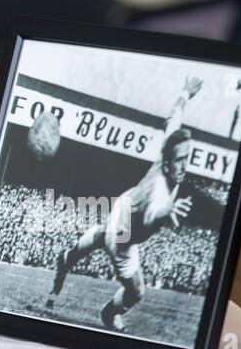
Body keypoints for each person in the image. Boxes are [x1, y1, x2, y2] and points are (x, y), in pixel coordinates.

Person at [47, 77, 202, 331]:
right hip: (122, 238)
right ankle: (109, 313)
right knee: (138, 291)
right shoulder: (161, 195)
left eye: (188, 158)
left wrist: (185, 92)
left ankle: (67, 256)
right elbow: (153, 215)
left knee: (98, 237)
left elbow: (173, 118)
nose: (184, 165)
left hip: (122, 208)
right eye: (180, 160)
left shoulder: (167, 149)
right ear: (167, 163)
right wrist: (168, 212)